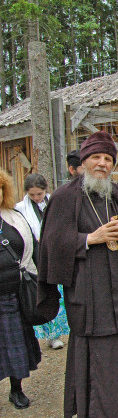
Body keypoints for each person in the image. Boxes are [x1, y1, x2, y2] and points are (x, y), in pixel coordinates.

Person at [37, 130, 118, 418]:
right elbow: (51, 246)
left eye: (107, 158)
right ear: (84, 161)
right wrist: (90, 238)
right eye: (95, 157)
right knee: (100, 361)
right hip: (92, 297)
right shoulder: (65, 197)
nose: (102, 163)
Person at [0, 169, 42, 410]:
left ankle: (16, 390)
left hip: (14, 295)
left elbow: (34, 249)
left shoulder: (14, 217)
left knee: (15, 348)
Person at [15, 174, 70, 350]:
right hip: (35, 255)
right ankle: (46, 334)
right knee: (42, 294)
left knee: (58, 294)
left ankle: (58, 332)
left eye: (39, 194)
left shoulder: (54, 202)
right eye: (32, 195)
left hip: (55, 252)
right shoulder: (20, 209)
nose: (37, 198)